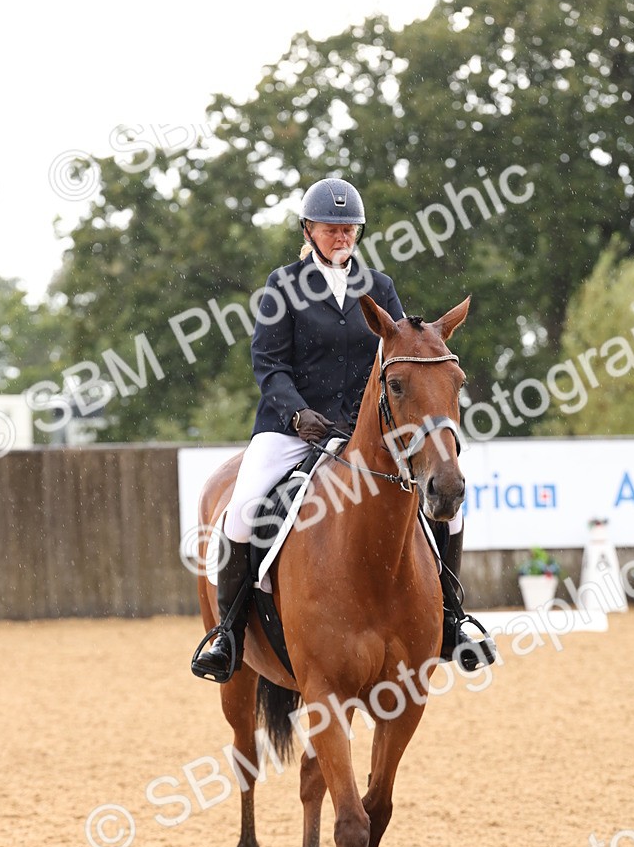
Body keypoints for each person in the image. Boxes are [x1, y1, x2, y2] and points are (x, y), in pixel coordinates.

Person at [192, 177, 489, 682]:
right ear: (309, 230)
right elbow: (268, 365)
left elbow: (399, 358)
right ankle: (229, 633)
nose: (341, 237)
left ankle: (452, 620)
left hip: (365, 431)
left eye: (349, 229)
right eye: (331, 229)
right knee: (240, 513)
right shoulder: (281, 287)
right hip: (291, 430)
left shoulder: (379, 287)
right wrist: (296, 414)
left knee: (449, 508)